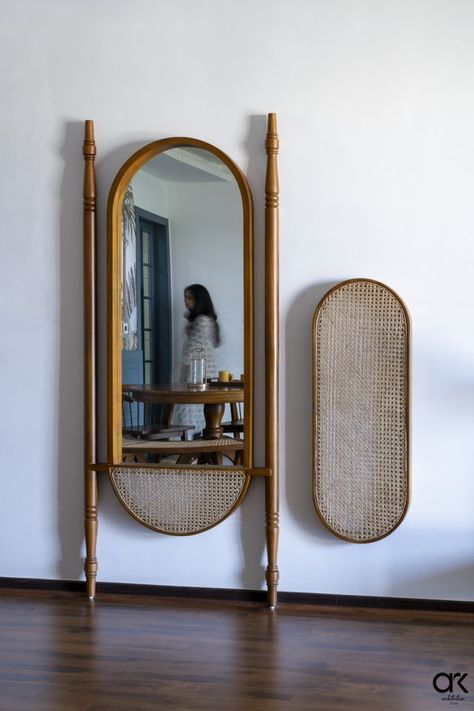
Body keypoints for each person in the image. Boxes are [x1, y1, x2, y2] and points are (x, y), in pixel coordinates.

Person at [174, 284, 221, 434]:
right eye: (185, 297)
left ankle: (191, 452)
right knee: (198, 415)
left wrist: (177, 375)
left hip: (198, 372)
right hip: (200, 371)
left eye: (190, 297)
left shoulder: (202, 321)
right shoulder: (202, 320)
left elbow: (191, 351)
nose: (186, 301)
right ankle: (196, 452)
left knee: (187, 413)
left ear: (199, 300)